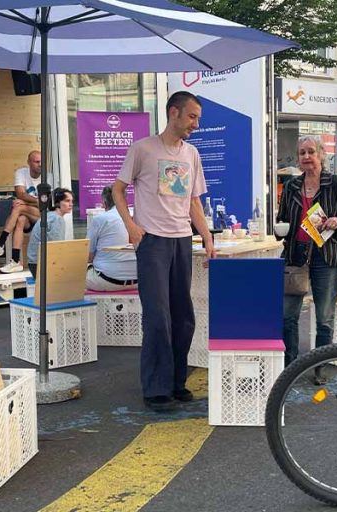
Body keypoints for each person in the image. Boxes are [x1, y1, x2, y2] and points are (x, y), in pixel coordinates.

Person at [112, 91, 215, 413]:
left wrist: (208, 239)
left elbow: (194, 201)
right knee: (158, 318)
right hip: (153, 242)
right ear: (174, 113)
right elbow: (117, 188)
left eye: (197, 118)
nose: (195, 124)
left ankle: (175, 382)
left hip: (182, 240)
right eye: (192, 117)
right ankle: (155, 388)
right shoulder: (143, 149)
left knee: (184, 318)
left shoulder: (192, 154)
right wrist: (130, 224)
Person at [277, 136, 337, 369]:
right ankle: (289, 367)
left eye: (311, 152)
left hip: (326, 256)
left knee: (324, 318)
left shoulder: (336, 183)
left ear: (321, 154)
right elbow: (283, 220)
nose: (306, 157)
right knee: (287, 317)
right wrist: (279, 228)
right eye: (302, 153)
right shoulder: (292, 185)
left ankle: (319, 367)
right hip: (295, 256)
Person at [0, 150, 43, 274]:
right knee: (20, 220)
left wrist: (25, 202)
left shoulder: (48, 176)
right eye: (37, 162)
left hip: (44, 214)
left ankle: (0, 242)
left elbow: (44, 203)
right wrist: (26, 201)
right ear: (29, 162)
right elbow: (20, 194)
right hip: (30, 214)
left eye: (41, 161)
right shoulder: (21, 173)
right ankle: (15, 261)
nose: (40, 164)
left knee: (18, 207)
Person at [86, 185, 137, 292]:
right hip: (138, 280)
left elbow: (88, 256)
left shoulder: (100, 219)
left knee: (72, 276)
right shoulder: (136, 218)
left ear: (104, 203)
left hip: (107, 281)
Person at [25, 187, 73, 278]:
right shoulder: (56, 219)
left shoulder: (50, 216)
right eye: (67, 201)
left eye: (71, 201)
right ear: (57, 203)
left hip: (35, 262)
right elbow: (56, 248)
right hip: (41, 263)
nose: (71, 204)